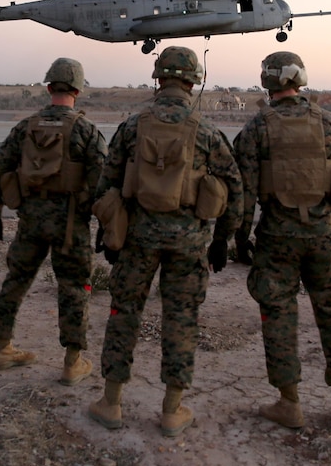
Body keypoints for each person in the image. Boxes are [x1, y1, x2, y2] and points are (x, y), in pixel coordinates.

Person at [88, 46, 243, 437]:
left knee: (124, 313)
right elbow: (235, 188)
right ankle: (172, 410)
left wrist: (106, 231)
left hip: (138, 239)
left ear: (159, 78)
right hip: (189, 244)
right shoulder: (206, 131)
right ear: (193, 81)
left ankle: (111, 402)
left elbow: (106, 183)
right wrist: (224, 239)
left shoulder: (132, 125)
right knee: (181, 320)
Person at [233, 51, 331, 430]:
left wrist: (239, 235)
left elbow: (243, 191)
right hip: (325, 237)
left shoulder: (255, 128)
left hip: (276, 239)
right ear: (300, 78)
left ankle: (289, 402)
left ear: (267, 80)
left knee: (278, 315)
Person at [0, 58, 107, 386]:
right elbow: (102, 185)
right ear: (78, 90)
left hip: (30, 222)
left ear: (49, 87)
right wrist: (105, 225)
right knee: (74, 289)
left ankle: (1, 347)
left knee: (16, 281)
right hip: (70, 226)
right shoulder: (85, 130)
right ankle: (72, 361)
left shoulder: (25, 127)